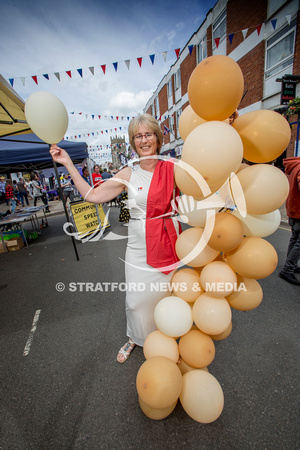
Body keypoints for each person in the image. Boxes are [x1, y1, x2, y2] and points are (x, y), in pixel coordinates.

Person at [50, 114, 181, 363]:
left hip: (167, 243)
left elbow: (205, 177)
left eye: (148, 134)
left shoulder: (173, 167)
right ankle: (135, 337)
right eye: (138, 136)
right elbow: (92, 195)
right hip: (138, 249)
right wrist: (67, 163)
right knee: (135, 301)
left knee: (164, 298)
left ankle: (165, 337)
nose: (144, 140)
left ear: (157, 137)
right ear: (133, 142)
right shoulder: (129, 173)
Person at [278, 156, 300, 286]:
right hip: (298, 210)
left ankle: (290, 264)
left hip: (293, 209)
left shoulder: (295, 165)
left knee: (295, 238)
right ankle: (288, 269)